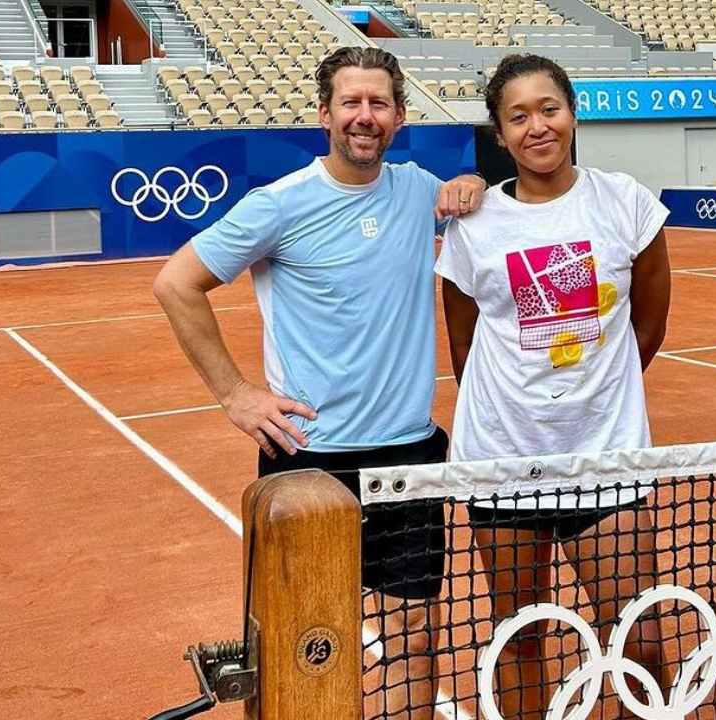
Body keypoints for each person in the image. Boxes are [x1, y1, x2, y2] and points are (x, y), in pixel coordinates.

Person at [152, 47, 486, 720]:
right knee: (305, 646)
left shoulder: (421, 189)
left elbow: (472, 189)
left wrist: (471, 179)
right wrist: (235, 395)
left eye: (379, 104)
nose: (365, 117)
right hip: (308, 461)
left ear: (399, 115)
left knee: (413, 640)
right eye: (352, 103)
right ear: (325, 114)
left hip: (410, 456)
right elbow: (176, 283)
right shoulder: (276, 206)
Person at [435, 54, 673, 720]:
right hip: (502, 459)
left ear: (572, 114)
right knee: (524, 636)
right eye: (518, 116)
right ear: (501, 133)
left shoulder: (624, 201)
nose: (537, 127)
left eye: (549, 109)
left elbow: (647, 329)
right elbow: (463, 345)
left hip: (605, 458)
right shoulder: (474, 225)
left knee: (642, 641)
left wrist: (593, 396)